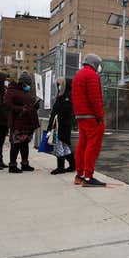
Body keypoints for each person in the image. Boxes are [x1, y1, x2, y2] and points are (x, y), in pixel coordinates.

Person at [71, 54, 106, 187]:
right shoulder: (92, 75)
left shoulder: (78, 75)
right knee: (93, 146)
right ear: (95, 64)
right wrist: (100, 116)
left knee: (82, 144)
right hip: (91, 116)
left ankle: (79, 175)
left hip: (80, 115)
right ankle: (88, 176)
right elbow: (95, 98)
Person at [4, 72, 39, 173]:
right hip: (18, 123)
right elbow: (7, 105)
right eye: (27, 84)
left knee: (25, 144)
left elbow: (28, 104)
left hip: (27, 123)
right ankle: (13, 165)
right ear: (22, 83)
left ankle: (25, 164)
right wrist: (20, 109)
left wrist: (35, 106)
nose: (28, 86)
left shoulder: (25, 92)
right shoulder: (12, 91)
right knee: (16, 144)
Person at [47, 77, 75, 174]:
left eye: (60, 85)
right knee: (64, 146)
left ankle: (61, 167)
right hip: (60, 125)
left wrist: (55, 122)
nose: (58, 87)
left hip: (61, 125)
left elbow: (64, 112)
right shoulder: (62, 96)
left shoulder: (67, 97)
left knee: (59, 146)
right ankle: (72, 165)